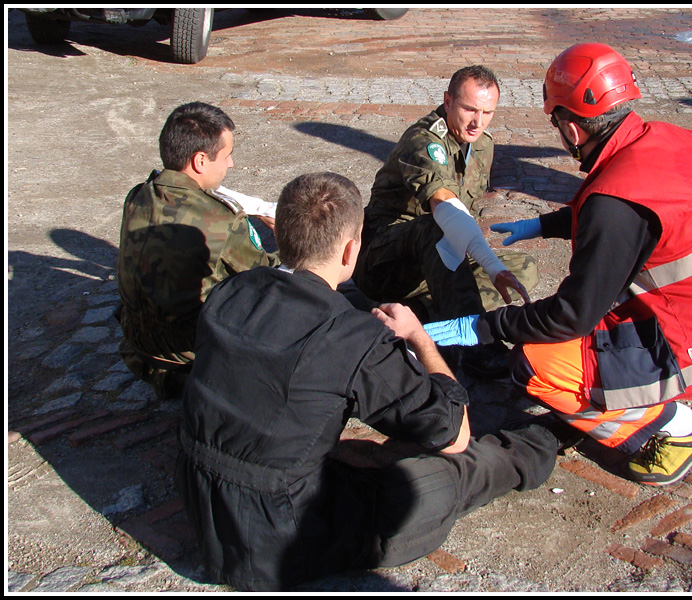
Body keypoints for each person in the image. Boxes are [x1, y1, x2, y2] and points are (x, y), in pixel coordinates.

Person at [423, 43, 692, 486]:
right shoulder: (674, 140)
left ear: (572, 131)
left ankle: (673, 426)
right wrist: (544, 224)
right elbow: (633, 221)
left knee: (535, 363)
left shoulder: (611, 203)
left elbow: (570, 316)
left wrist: (489, 326)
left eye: (556, 122)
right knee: (610, 311)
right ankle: (657, 399)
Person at [174, 172, 560, 591]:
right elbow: (453, 433)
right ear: (349, 249)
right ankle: (538, 444)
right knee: (440, 481)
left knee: (354, 456)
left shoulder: (232, 291)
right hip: (278, 542)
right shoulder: (348, 334)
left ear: (280, 232)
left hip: (201, 503)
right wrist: (419, 337)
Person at [352, 65, 537, 379]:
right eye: (469, 109)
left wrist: (497, 269)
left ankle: (423, 318)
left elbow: (465, 216)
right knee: (439, 227)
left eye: (487, 112)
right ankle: (475, 346)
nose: (478, 121)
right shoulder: (424, 141)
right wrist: (490, 265)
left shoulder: (482, 144)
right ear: (448, 101)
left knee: (522, 269)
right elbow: (446, 208)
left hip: (435, 263)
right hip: (385, 263)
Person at [116, 102, 278, 399]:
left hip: (138, 348)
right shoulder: (220, 220)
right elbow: (267, 276)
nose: (231, 164)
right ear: (200, 161)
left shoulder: (139, 194)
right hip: (187, 363)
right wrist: (292, 241)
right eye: (227, 155)